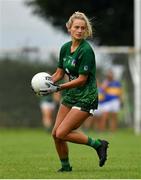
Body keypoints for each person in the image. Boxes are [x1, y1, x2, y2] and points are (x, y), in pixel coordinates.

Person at [40, 12, 109, 172]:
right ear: (69, 28)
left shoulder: (86, 51)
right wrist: (45, 83)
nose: (79, 30)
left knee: (62, 132)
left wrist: (58, 88)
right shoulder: (65, 48)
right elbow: (59, 73)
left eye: (83, 28)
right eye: (76, 27)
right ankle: (65, 167)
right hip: (72, 95)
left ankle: (98, 144)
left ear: (86, 31)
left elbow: (82, 80)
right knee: (55, 134)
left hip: (87, 96)